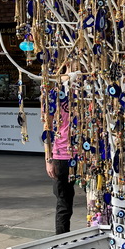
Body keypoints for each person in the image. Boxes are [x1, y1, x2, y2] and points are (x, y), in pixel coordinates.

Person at [45, 77, 75, 233]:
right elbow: (47, 129)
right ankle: (62, 241)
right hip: (60, 156)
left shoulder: (87, 92)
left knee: (94, 200)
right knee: (64, 204)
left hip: (86, 155)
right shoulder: (53, 96)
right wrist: (48, 159)